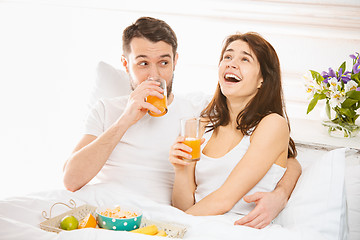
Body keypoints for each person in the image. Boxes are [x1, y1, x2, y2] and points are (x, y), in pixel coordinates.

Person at [63, 17, 301, 228]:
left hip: (159, 219)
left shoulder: (198, 114)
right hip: (106, 210)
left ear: (175, 61)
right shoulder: (107, 109)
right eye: (143, 63)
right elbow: (71, 180)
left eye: (164, 62)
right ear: (126, 64)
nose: (154, 75)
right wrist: (126, 120)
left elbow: (286, 160)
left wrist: (281, 194)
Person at [169, 32, 299, 229]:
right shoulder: (202, 124)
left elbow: (225, 200)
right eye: (227, 57)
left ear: (262, 79)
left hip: (237, 228)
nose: (231, 63)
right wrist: (181, 169)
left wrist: (168, 227)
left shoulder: (272, 124)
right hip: (196, 224)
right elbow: (183, 206)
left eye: (245, 59)